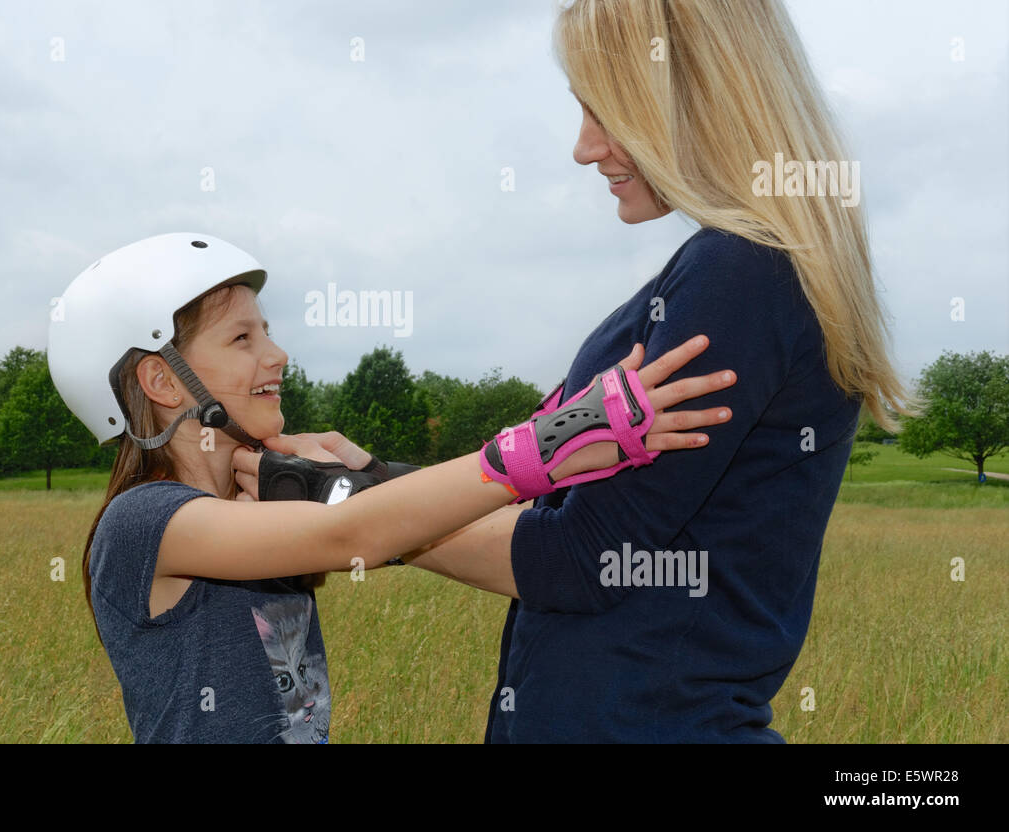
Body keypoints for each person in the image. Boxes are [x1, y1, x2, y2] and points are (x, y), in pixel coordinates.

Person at [234, 0, 911, 743]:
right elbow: (564, 510)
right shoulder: (742, 271)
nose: (584, 147)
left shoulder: (742, 274)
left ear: (695, 96)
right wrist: (370, 478)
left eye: (605, 109)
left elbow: (578, 558)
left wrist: (343, 507)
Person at [47, 232, 737, 743]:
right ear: (161, 381)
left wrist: (357, 479)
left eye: (269, 331)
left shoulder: (248, 505)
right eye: (241, 339)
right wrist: (551, 445)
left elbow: (397, 524)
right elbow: (351, 534)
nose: (276, 354)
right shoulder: (147, 523)